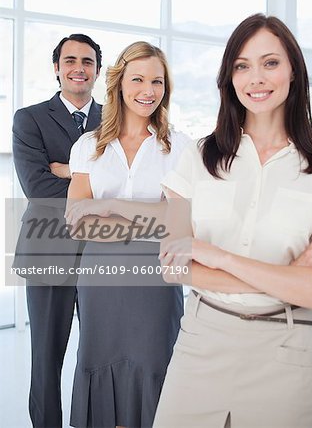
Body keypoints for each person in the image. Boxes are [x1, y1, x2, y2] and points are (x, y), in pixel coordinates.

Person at [153, 14, 312, 427]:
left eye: (270, 62)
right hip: (202, 345)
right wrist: (289, 277)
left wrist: (219, 258)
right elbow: (174, 266)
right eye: (242, 65)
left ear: (293, 71)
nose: (257, 77)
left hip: (289, 354)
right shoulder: (196, 158)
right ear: (229, 77)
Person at [65, 41, 190, 428]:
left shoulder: (180, 147)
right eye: (137, 79)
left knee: (155, 365)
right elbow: (77, 222)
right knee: (100, 366)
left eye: (157, 81)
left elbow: (179, 225)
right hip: (100, 281)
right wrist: (153, 215)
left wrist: (110, 206)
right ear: (119, 84)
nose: (147, 90)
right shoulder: (88, 146)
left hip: (157, 280)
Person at [12, 33, 102, 428]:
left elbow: (132, 185)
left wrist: (69, 171)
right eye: (70, 60)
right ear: (57, 68)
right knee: (47, 358)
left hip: (105, 254)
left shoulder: (117, 118)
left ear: (97, 70)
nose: (78, 68)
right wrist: (100, 184)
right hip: (48, 252)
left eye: (87, 61)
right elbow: (38, 188)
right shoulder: (29, 118)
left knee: (101, 354)